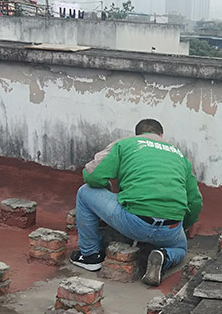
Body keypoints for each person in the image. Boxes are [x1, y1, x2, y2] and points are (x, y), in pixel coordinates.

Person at [70, 118, 203, 286]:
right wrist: (181, 227)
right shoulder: (179, 154)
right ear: (161, 135)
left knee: (85, 192)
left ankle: (89, 256)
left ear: (138, 134)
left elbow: (93, 176)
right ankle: (164, 256)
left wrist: (106, 188)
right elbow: (195, 201)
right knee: (181, 249)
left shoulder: (126, 144)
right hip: (170, 228)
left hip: (134, 222)